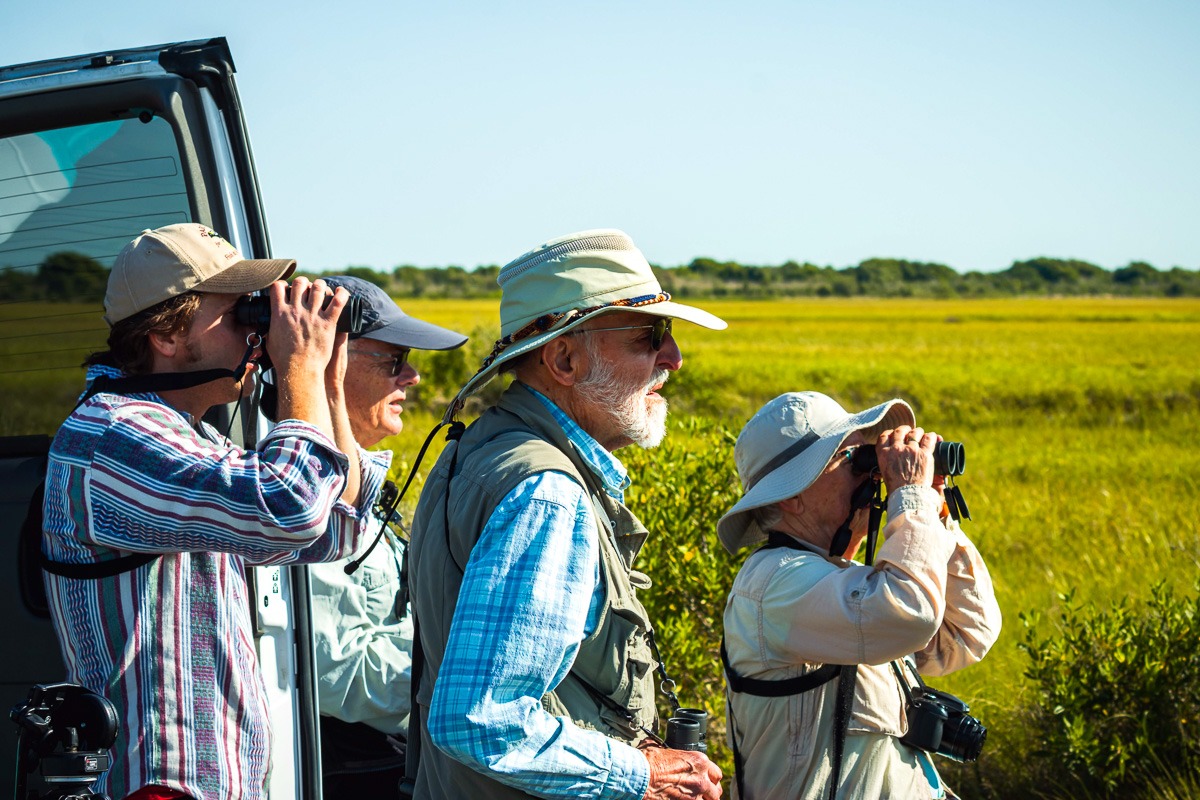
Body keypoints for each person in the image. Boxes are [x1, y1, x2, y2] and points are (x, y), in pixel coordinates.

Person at [40, 224, 389, 800]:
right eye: (238, 315)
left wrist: (328, 377)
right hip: (160, 780)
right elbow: (292, 509)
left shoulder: (191, 439)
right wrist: (297, 366)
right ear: (166, 337)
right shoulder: (113, 434)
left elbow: (339, 528)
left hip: (216, 778)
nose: (259, 330)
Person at [406, 229, 728, 800]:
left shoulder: (480, 447)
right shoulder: (546, 490)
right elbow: (482, 720)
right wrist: (645, 775)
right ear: (564, 358)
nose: (673, 359)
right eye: (649, 337)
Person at [718, 392, 1002, 800]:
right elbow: (909, 614)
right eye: (853, 460)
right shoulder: (772, 585)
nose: (872, 473)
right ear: (792, 497)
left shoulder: (847, 579)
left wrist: (934, 511)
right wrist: (910, 499)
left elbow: (966, 634)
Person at [307, 275, 467, 799]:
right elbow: (332, 668)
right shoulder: (303, 498)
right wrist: (463, 682)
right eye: (393, 360)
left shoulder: (355, 484)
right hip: (354, 772)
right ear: (329, 365)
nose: (414, 375)